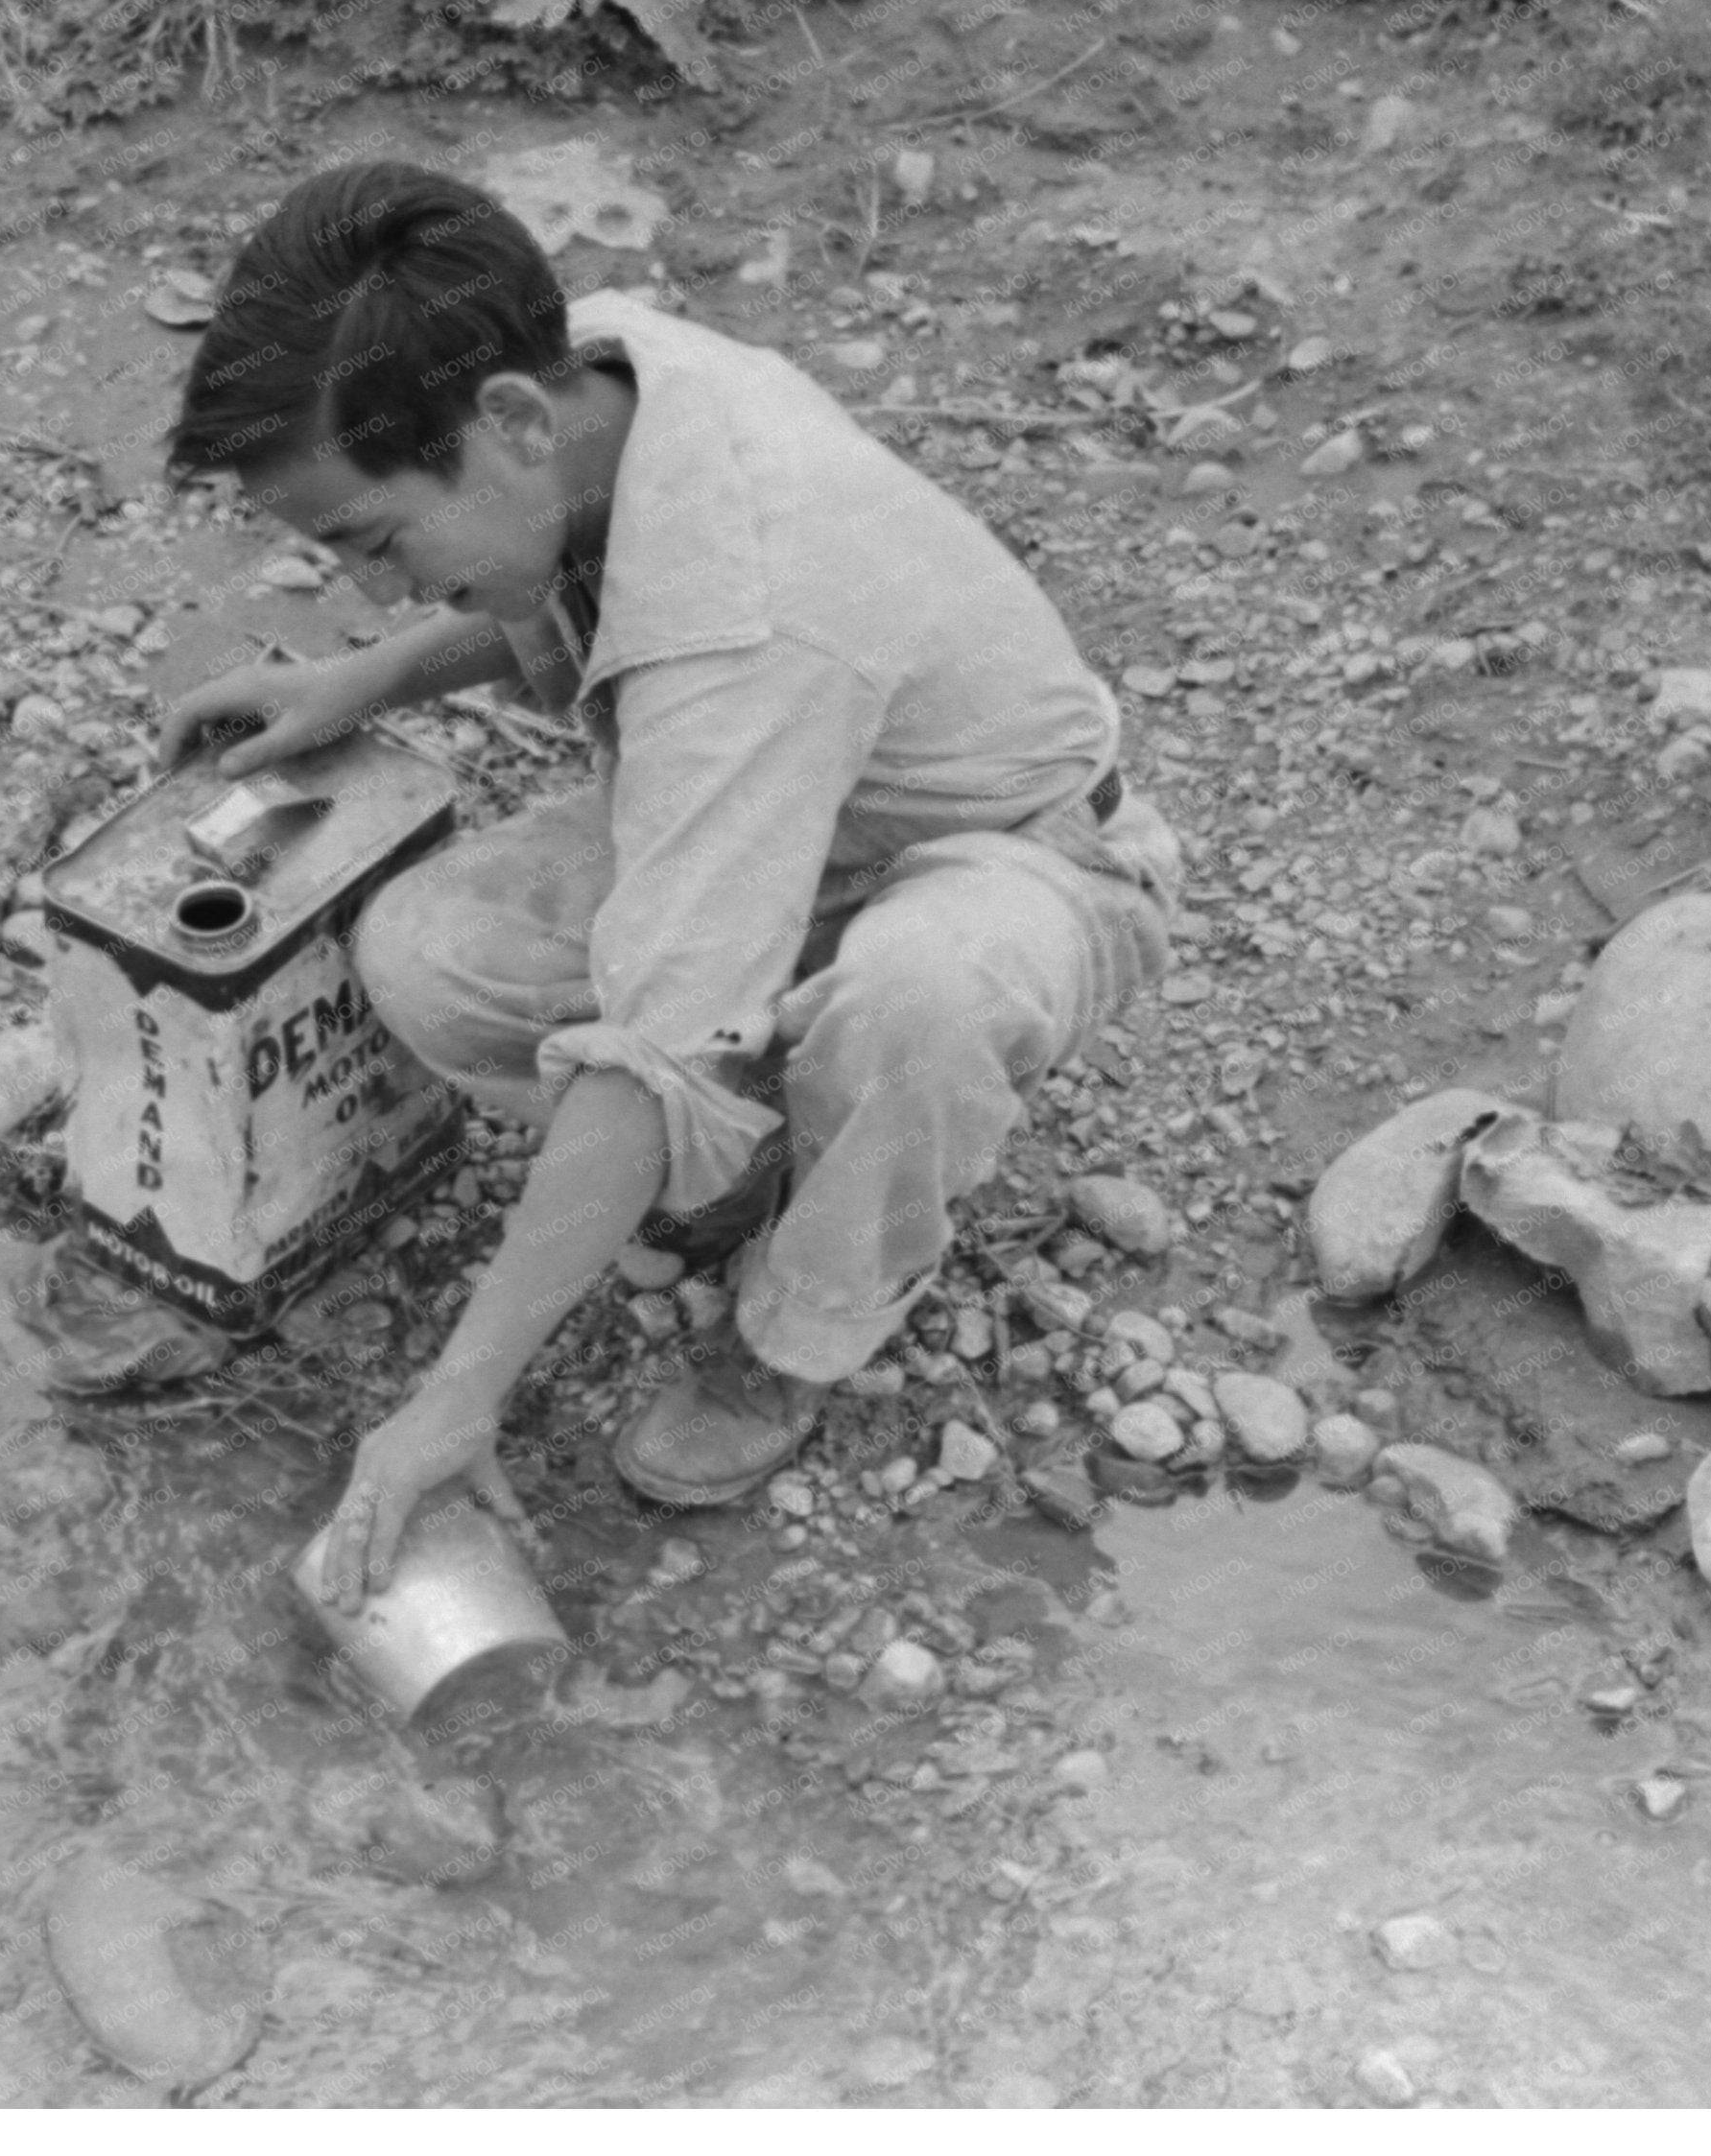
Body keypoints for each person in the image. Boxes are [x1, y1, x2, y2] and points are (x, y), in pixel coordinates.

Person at [152, 160, 1182, 1613]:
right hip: (788, 804)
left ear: (508, 418)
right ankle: (756, 1140)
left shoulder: (749, 613)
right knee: (432, 951)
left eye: (379, 546)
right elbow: (547, 572)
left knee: (907, 998)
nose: (378, 587)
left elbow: (644, 1048)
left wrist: (457, 1399)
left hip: (1022, 859)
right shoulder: (587, 375)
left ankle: (796, 1329)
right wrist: (366, 676)